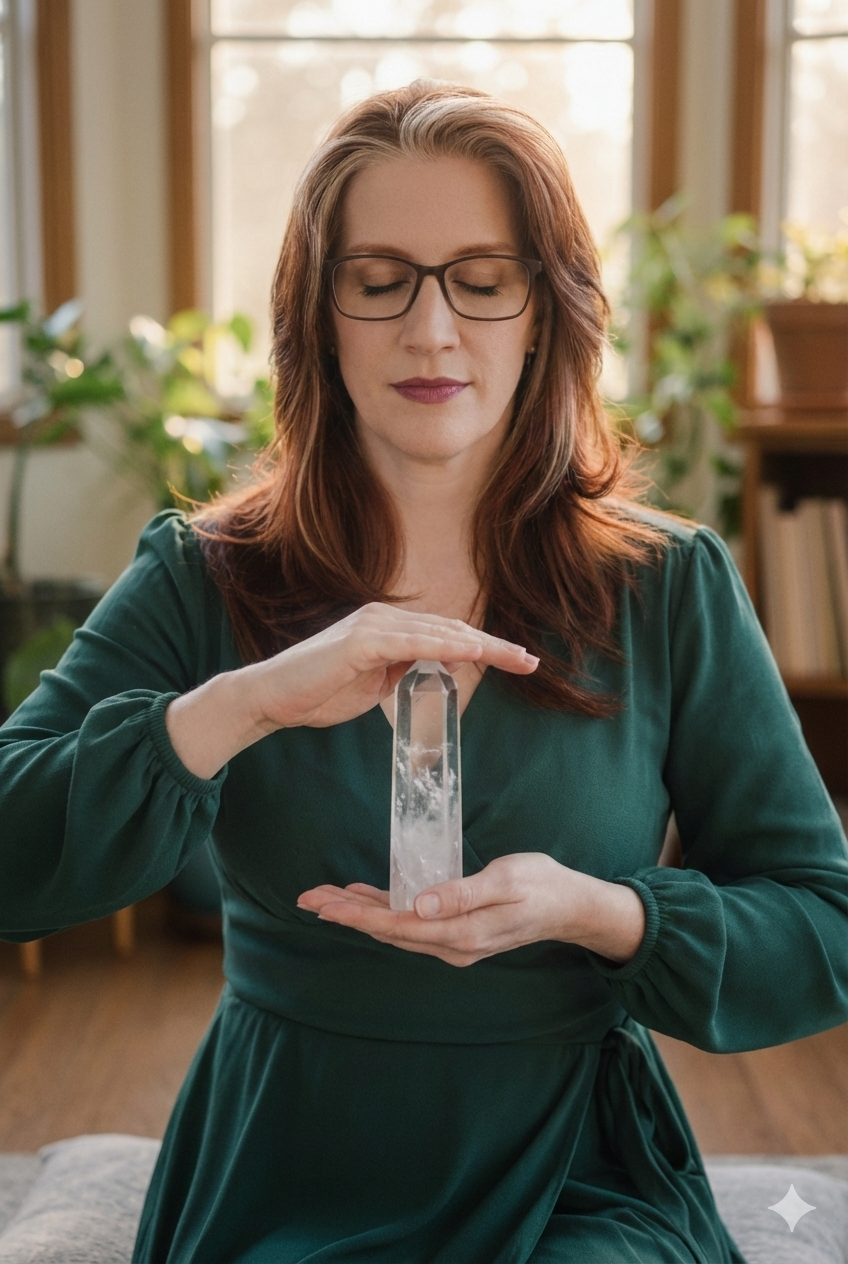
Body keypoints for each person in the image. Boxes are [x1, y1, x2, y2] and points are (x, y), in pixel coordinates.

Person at [1, 81, 846, 1264]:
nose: (430, 329)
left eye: (482, 279)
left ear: (543, 314)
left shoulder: (668, 586)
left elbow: (823, 926)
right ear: (319, 311)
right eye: (377, 278)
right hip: (290, 1153)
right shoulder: (205, 574)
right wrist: (245, 702)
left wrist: (597, 912)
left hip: (574, 1169)